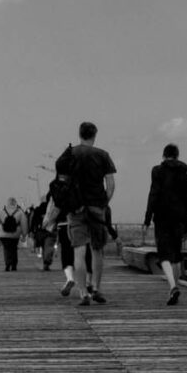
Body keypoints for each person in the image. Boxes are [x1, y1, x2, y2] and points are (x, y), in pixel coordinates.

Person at [54, 120, 116, 306]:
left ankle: (82, 293)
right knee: (97, 250)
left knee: (79, 252)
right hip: (97, 206)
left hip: (76, 208)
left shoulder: (70, 155)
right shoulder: (103, 155)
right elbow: (111, 184)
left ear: (80, 134)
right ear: (94, 135)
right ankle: (95, 287)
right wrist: (104, 203)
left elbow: (61, 184)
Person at [143, 142, 187, 305]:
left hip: (162, 216)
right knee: (176, 255)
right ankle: (175, 287)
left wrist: (147, 218)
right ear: (177, 156)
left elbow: (153, 194)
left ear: (163, 155)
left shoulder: (157, 171)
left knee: (164, 254)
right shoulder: (184, 173)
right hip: (179, 217)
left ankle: (172, 286)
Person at [44, 171, 81, 297]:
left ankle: (70, 278)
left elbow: (52, 209)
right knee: (81, 252)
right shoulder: (78, 185)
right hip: (78, 223)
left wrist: (48, 222)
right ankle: (87, 285)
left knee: (66, 252)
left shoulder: (56, 188)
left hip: (63, 224)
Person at [0, 196, 24, 271]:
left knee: (6, 249)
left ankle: (7, 264)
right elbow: (24, 223)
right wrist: (24, 234)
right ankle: (14, 265)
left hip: (4, 233)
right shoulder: (19, 211)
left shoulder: (2, 211)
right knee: (14, 249)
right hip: (15, 233)